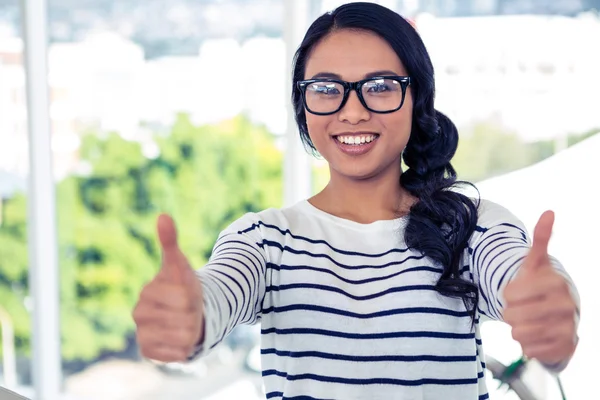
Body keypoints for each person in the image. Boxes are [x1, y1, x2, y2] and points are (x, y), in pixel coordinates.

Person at [132, 2, 580, 399]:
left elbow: (520, 273)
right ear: (303, 107)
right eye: (326, 89)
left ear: (416, 97)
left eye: (380, 86)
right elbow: (217, 294)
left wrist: (552, 303)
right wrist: (188, 318)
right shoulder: (264, 240)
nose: (352, 110)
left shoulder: (469, 226)